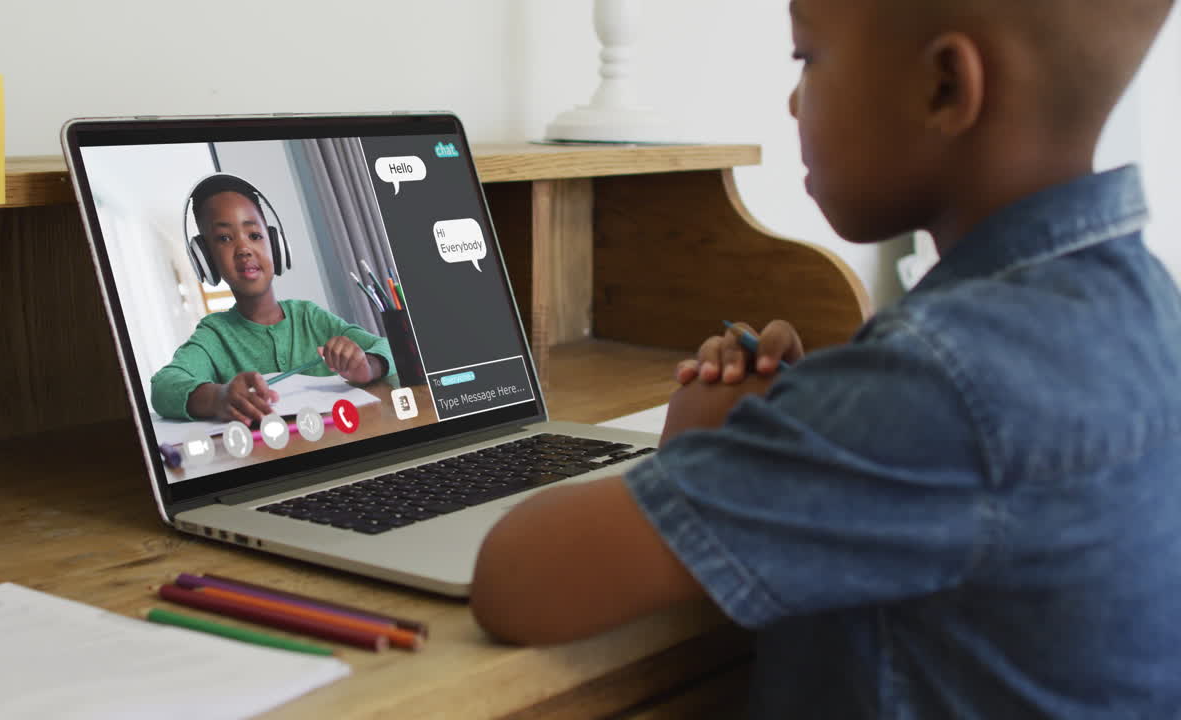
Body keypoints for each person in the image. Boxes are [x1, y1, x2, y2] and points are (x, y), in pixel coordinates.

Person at [470, 0, 1181, 716]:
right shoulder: (1147, 309)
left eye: (806, 60)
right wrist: (814, 419)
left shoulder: (936, 384)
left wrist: (710, 450)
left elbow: (517, 582)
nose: (790, 100)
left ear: (944, 86)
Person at [151, 174, 393, 423]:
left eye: (254, 235)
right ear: (206, 259)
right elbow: (164, 387)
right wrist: (218, 397)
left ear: (275, 245)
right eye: (224, 238)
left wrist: (368, 366)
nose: (244, 249)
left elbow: (389, 348)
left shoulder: (309, 317)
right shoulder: (214, 336)